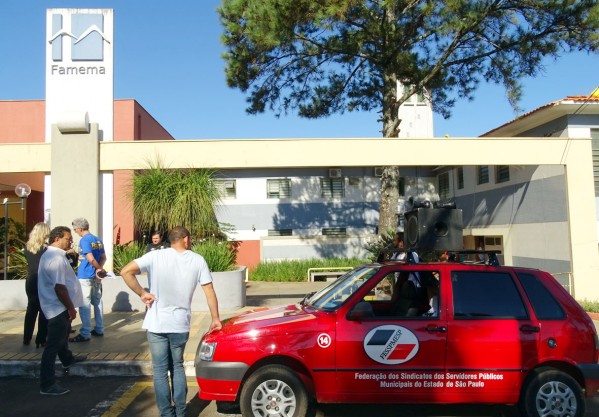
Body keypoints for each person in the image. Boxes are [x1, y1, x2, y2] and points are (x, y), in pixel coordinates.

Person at [120, 226, 222, 417]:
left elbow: (126, 271)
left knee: (159, 370)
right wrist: (215, 318)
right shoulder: (197, 260)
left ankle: (167, 414)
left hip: (157, 323)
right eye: (189, 238)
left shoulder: (155, 256)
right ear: (185, 239)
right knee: (177, 366)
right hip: (180, 323)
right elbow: (209, 291)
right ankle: (181, 412)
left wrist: (143, 293)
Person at [38, 226, 84, 395]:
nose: (70, 241)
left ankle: (67, 359)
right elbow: (60, 288)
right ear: (57, 239)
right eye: (67, 238)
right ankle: (47, 384)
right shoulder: (55, 259)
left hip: (58, 306)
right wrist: (71, 308)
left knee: (62, 337)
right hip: (57, 307)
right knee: (53, 345)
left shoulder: (56, 255)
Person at [70, 217, 106, 342]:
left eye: (75, 230)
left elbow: (90, 258)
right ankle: (99, 328)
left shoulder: (84, 240)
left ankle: (85, 333)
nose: (75, 232)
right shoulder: (97, 239)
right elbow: (103, 257)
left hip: (85, 275)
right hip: (96, 277)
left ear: (80, 228)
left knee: (84, 304)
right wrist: (99, 269)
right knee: (97, 302)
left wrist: (97, 269)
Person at [23, 222, 50, 348]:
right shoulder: (47, 249)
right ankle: (41, 339)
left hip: (31, 279)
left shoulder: (27, 247)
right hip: (42, 279)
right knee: (43, 310)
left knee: (31, 309)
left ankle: (27, 338)